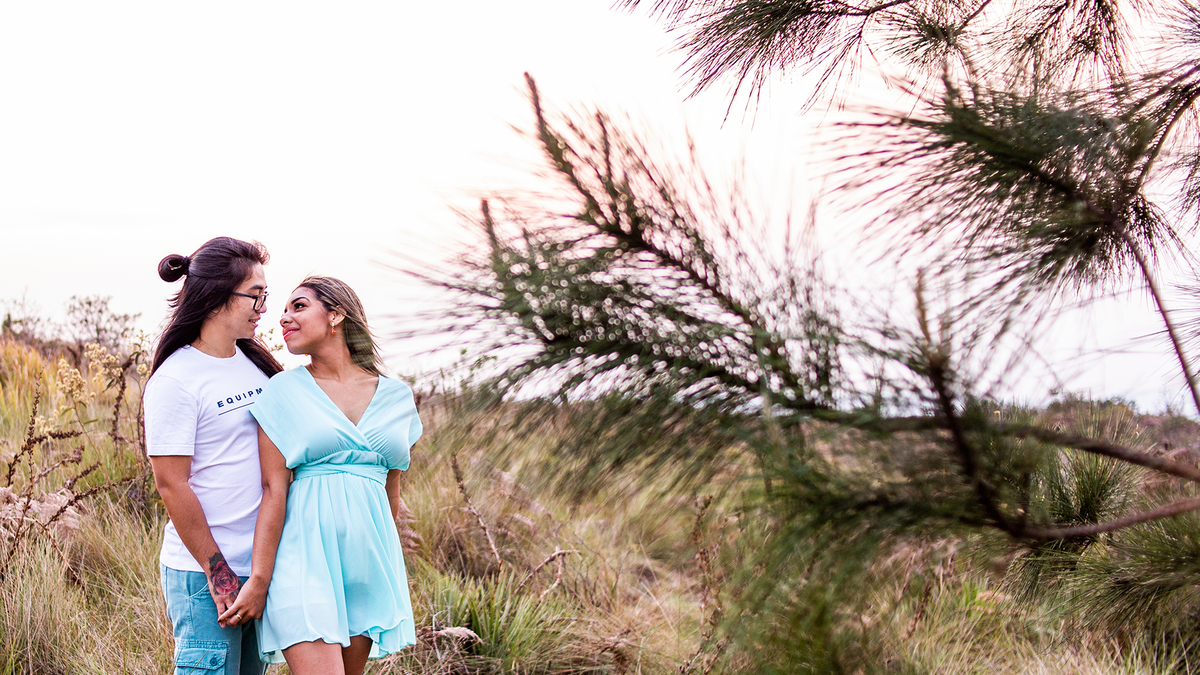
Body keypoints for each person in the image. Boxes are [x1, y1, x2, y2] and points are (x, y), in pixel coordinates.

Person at [219, 275, 421, 674]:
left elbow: (390, 492)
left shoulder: (397, 397)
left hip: (366, 566)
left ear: (336, 315)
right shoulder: (283, 390)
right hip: (303, 562)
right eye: (283, 310)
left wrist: (379, 564)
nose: (283, 318)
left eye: (298, 306)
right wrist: (259, 579)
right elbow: (273, 489)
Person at [144, 237, 282, 675]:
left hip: (258, 569)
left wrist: (260, 572)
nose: (264, 307)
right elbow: (171, 484)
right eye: (255, 295)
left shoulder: (255, 365)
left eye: (265, 295)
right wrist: (218, 573)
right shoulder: (176, 379)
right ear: (216, 297)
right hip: (204, 574)